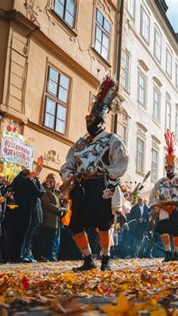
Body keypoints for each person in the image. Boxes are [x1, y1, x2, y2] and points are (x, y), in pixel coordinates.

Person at [60, 76, 129, 271]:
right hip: (81, 186)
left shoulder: (111, 139)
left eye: (91, 119)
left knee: (103, 223)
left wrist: (110, 181)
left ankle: (106, 258)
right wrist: (69, 176)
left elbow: (121, 162)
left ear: (100, 120)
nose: (88, 121)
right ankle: (88, 259)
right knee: (75, 224)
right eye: (87, 118)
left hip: (101, 184)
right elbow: (69, 162)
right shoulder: (80, 142)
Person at [149, 130, 178, 262]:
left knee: (176, 231)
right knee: (163, 231)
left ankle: (177, 253)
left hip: (177, 208)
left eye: (170, 167)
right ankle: (168, 252)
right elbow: (153, 194)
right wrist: (154, 205)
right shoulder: (161, 182)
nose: (168, 169)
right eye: (166, 167)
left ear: (174, 167)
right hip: (163, 209)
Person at [7, 169, 45, 262]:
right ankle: (19, 255)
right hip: (28, 211)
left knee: (15, 233)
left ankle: (12, 256)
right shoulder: (29, 182)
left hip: (17, 210)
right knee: (23, 234)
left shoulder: (16, 180)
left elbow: (9, 188)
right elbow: (39, 193)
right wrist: (38, 182)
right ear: (28, 175)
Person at [38, 174, 64, 261]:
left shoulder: (53, 192)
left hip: (54, 220)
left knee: (52, 239)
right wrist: (59, 210)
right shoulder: (45, 191)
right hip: (47, 219)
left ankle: (50, 255)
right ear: (47, 181)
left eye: (54, 181)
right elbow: (47, 204)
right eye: (51, 181)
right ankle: (43, 255)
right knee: (45, 238)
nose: (52, 183)